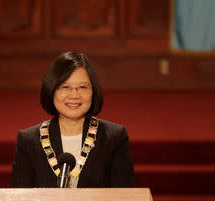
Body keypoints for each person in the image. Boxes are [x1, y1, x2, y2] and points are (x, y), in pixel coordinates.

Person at [10, 51, 135, 188]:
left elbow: (124, 199)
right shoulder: (28, 140)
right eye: (65, 87)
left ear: (93, 91)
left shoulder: (114, 138)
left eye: (83, 87)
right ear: (51, 90)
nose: (74, 95)